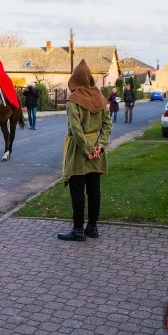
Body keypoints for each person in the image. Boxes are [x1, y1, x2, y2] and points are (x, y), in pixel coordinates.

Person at [57, 60, 112, 242]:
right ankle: (93, 228)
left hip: (81, 150)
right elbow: (107, 124)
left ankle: (79, 230)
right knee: (94, 189)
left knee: (78, 190)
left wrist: (88, 150)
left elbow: (76, 130)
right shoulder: (100, 97)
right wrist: (99, 146)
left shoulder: (73, 100)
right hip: (96, 147)